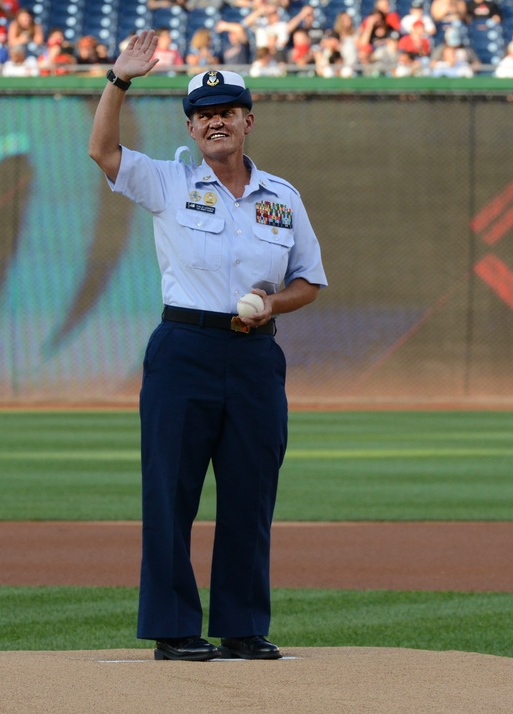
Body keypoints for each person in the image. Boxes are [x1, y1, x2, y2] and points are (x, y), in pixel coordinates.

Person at [89, 37, 328, 661]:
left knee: (251, 494)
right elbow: (103, 151)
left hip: (254, 357)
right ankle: (174, 627)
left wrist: (273, 304)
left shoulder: (282, 197)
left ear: (249, 120)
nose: (215, 119)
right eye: (203, 112)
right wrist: (119, 79)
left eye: (228, 108)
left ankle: (243, 626)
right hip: (183, 349)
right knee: (170, 491)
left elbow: (309, 279)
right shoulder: (169, 182)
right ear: (192, 127)